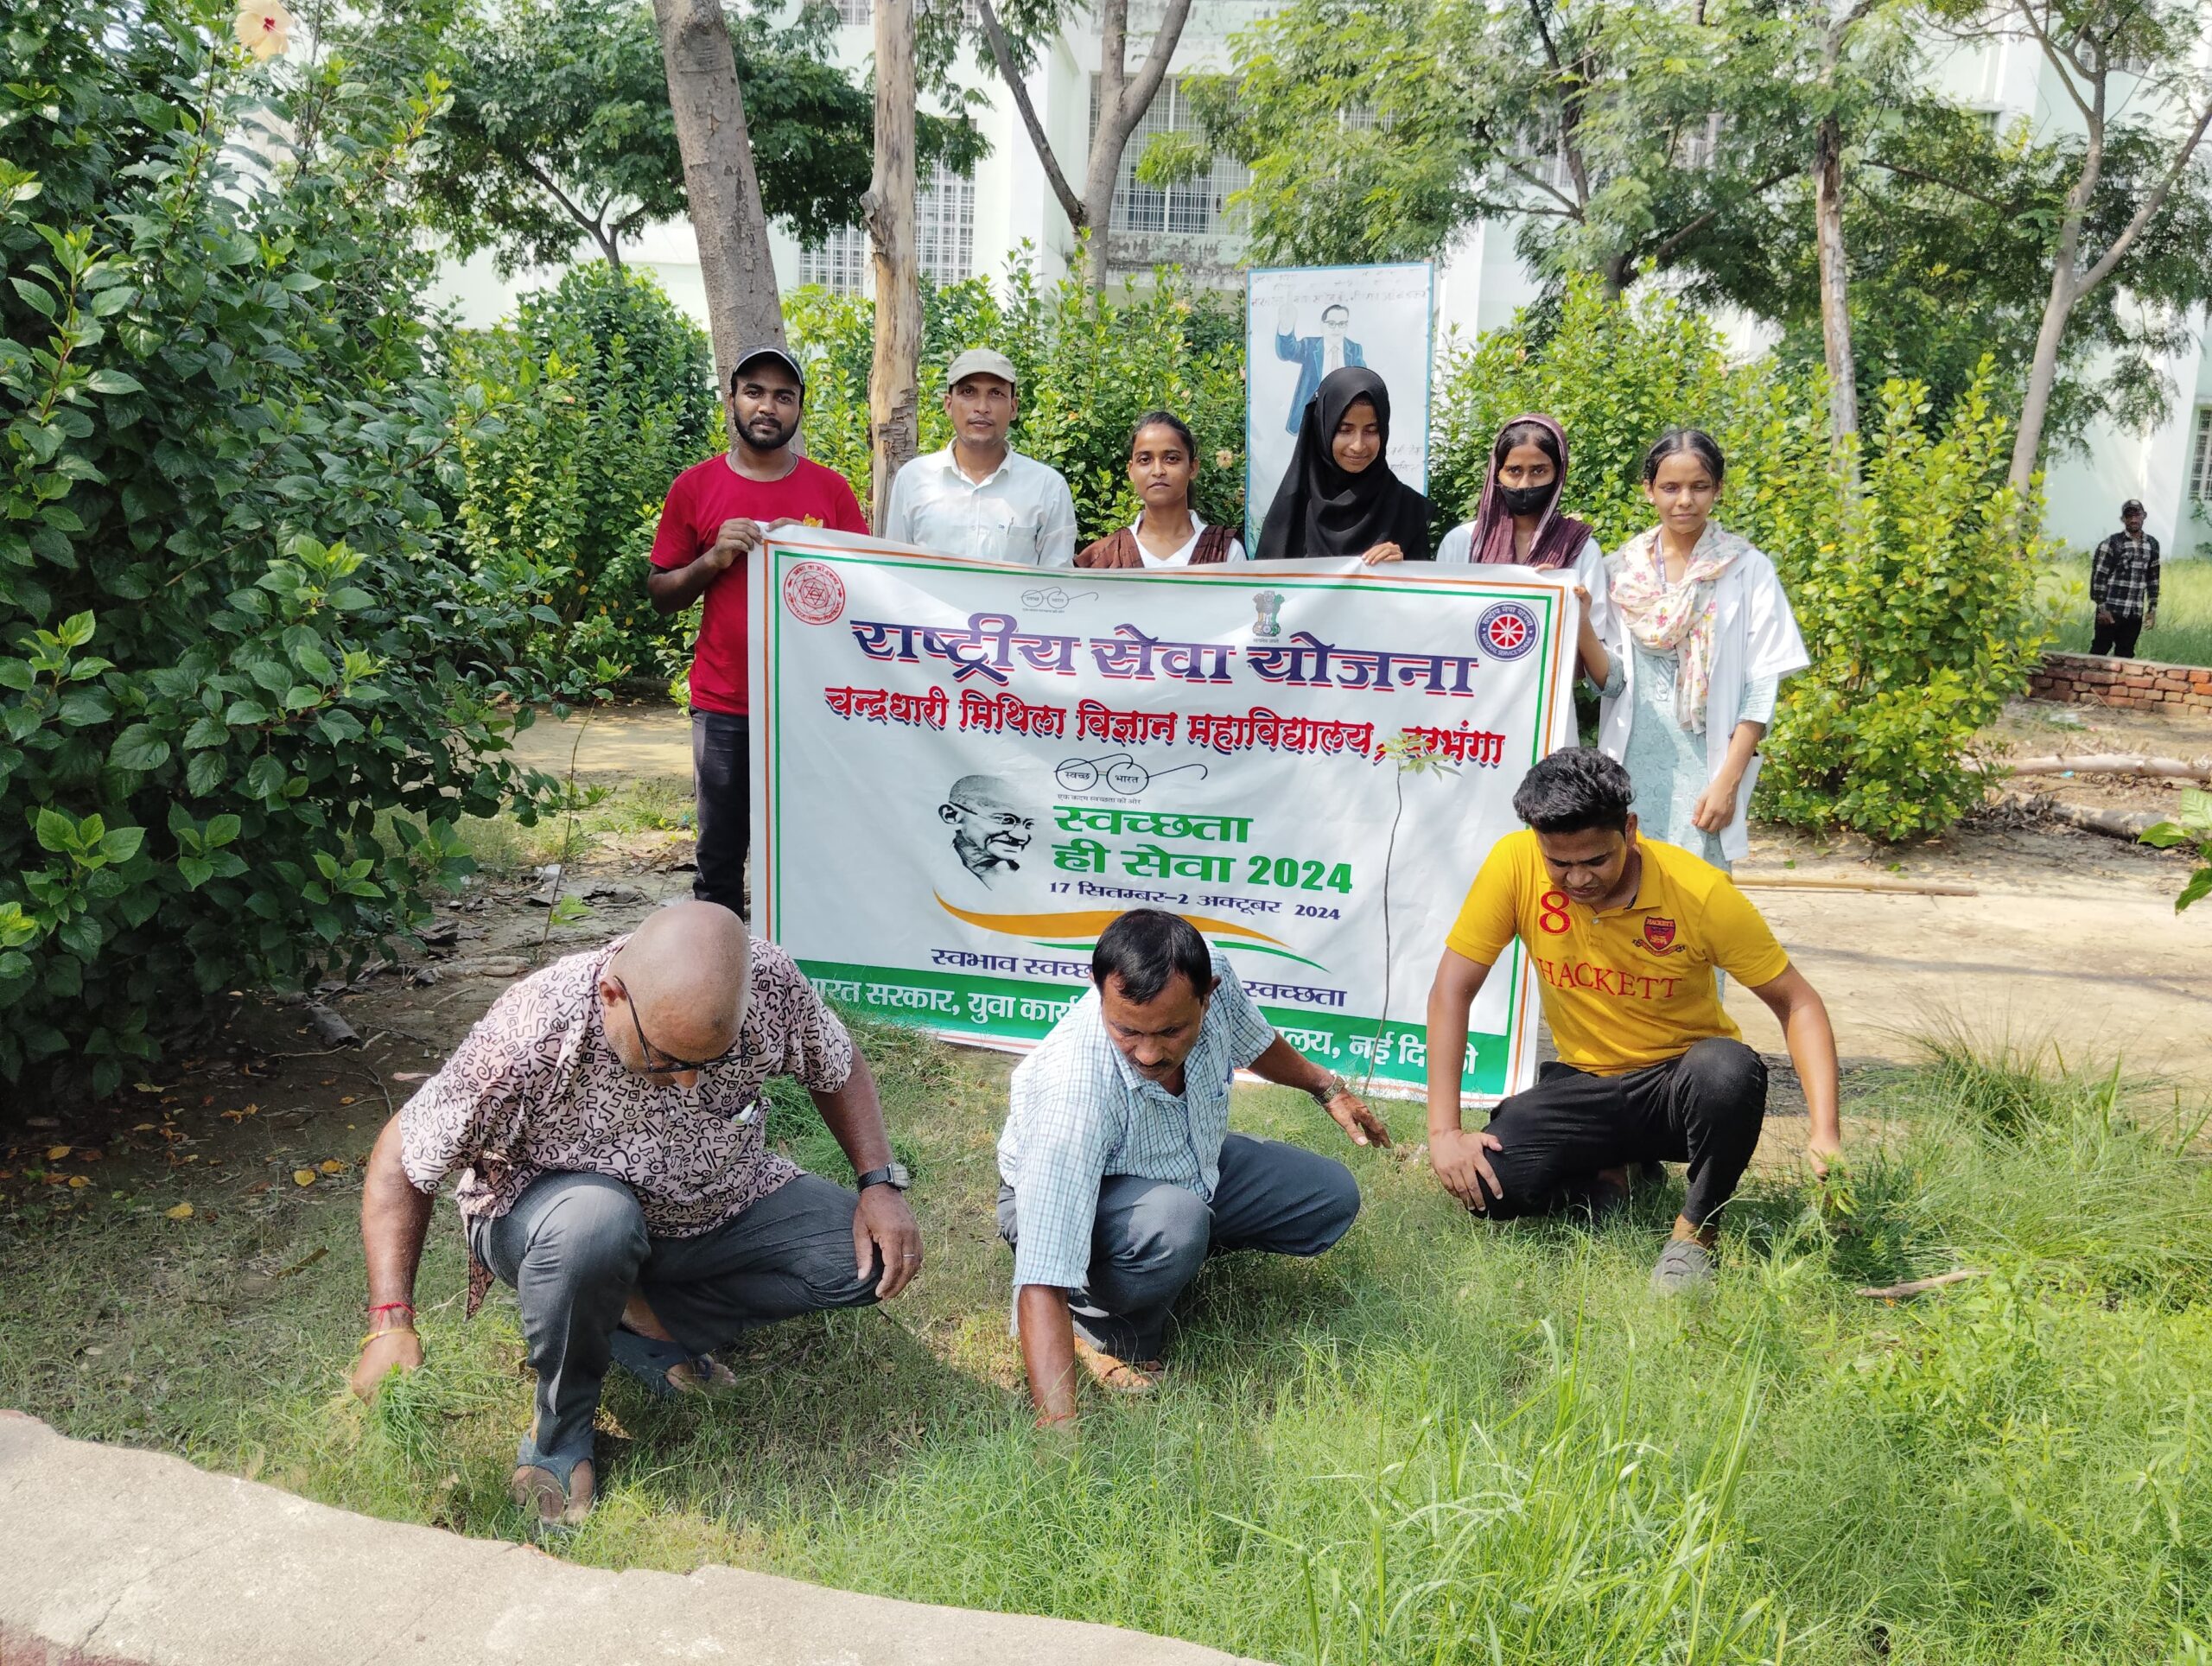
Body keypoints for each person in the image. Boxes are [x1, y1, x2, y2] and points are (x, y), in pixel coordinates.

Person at [347, 902, 923, 1530]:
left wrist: (879, 1184)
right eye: (668, 1060)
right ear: (613, 995)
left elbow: (837, 1065)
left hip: (713, 1199)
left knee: (861, 1262)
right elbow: (401, 1155)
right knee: (596, 1224)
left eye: (707, 1063)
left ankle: (631, 1315)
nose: (686, 1085)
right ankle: (560, 1433)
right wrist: (390, 1322)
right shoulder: (532, 1030)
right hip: (553, 1218)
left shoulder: (770, 982)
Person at [1424, 748, 1840, 1291]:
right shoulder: (1514, 862)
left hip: (1680, 1091)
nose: (1577, 879)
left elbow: (1797, 1002)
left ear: (1631, 830)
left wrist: (1825, 1132)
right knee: (1490, 1186)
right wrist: (1444, 1132)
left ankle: (1694, 1234)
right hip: (1585, 1083)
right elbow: (1451, 991)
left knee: (1728, 1069)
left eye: (1595, 860)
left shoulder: (1701, 893)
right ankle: (1615, 1172)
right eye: (1559, 862)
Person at [997, 908, 1391, 1425]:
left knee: (1328, 1195)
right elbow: (1042, 1273)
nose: (1148, 1052)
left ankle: (1172, 1251)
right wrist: (1058, 1436)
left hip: (1188, 1166)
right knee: (1177, 1223)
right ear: (1098, 990)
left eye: (1172, 1030)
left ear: (1209, 992)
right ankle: (1095, 1328)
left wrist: (1325, 1086)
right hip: (1072, 1197)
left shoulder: (1212, 976)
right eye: (1127, 1031)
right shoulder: (1073, 1092)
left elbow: (1256, 1042)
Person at [647, 345, 868, 917]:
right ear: (732, 399)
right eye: (755, 392)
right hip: (725, 706)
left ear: (799, 410)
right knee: (719, 858)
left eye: (784, 396)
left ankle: (794, 981)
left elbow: (869, 593)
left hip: (813, 709)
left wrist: (815, 554)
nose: (768, 406)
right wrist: (710, 560)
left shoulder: (831, 492)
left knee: (808, 852)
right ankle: (717, 983)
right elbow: (660, 594)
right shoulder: (694, 488)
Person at [1591, 429, 1808, 873]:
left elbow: (1761, 686)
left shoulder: (1746, 569)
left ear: (1719, 490)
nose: (1684, 500)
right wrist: (1575, 618)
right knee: (1627, 883)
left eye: (1699, 486)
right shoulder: (1620, 572)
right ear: (1648, 490)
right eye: (1670, 487)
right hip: (1632, 760)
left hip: (1707, 765)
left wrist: (1728, 781)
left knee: (1699, 899)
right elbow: (1610, 680)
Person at [1436, 412, 1612, 684]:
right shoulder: (1462, 542)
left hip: (1547, 707)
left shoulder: (1580, 549)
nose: (1525, 484)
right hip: (1466, 699)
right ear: (1497, 473)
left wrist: (1578, 615)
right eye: (1514, 471)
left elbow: (1596, 671)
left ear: (1558, 473)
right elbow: (1438, 630)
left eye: (1539, 471)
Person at [880, 348, 1077, 567]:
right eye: (968, 392)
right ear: (948, 404)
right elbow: (897, 572)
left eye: (996, 394)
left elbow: (1057, 587)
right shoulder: (913, 478)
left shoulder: (1047, 487)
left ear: (1013, 408)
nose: (982, 408)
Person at [1253, 367, 1433, 564]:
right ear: (1323, 429)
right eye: (1345, 430)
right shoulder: (1293, 510)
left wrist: (1403, 567)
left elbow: (1421, 592)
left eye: (1371, 430)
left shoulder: (1406, 510)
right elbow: (1266, 590)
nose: (1358, 445)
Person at [1077, 411, 1246, 567]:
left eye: (1171, 459)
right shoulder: (1102, 558)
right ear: (1131, 471)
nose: (1158, 471)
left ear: (1192, 468)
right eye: (1145, 460)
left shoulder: (1224, 551)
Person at [1275, 302, 1366, 433]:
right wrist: (1286, 326)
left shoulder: (1354, 349)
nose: (1336, 329)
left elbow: (1362, 381)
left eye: (1342, 324)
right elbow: (1286, 352)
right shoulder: (1309, 346)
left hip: (1344, 415)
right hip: (1312, 417)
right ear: (1322, 325)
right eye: (1331, 323)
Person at [938, 773, 1036, 888]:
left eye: (1028, 825)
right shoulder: (932, 866)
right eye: (1007, 820)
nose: (1022, 838)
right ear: (952, 815)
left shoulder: (1034, 878)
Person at [2089, 499, 2160, 658]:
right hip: (2111, 610)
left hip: (2134, 613)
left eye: (2138, 515)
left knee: (2126, 654)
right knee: (2099, 652)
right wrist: (2102, 608)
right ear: (2123, 519)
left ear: (2144, 516)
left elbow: (2153, 578)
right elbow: (2099, 577)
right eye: (2129, 516)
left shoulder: (2152, 545)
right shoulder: (2112, 543)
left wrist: (2152, 608)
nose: (2134, 519)